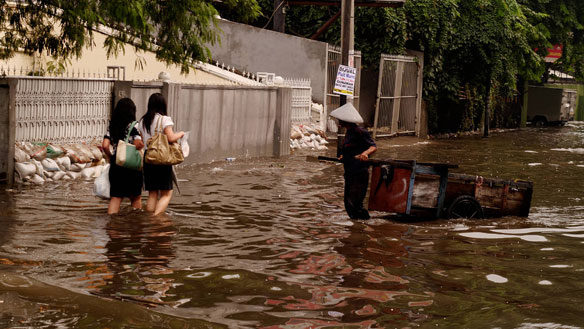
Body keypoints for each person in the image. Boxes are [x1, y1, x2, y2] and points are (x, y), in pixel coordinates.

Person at [139, 93, 185, 216]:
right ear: (162, 105)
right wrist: (180, 134)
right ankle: (156, 218)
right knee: (167, 193)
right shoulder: (164, 119)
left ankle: (149, 218)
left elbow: (143, 141)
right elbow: (170, 138)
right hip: (161, 159)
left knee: (152, 193)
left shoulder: (142, 121)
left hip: (148, 158)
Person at [331, 103, 377, 220]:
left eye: (339, 119)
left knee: (355, 204)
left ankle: (365, 224)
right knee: (348, 204)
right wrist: (343, 156)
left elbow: (373, 146)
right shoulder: (348, 133)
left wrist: (365, 154)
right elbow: (349, 151)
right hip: (350, 172)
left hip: (359, 172)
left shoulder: (360, 131)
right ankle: (357, 226)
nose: (338, 121)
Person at [102, 98, 144, 215]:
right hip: (131, 164)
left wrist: (111, 157)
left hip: (116, 163)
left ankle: (112, 226)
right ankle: (134, 224)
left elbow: (105, 145)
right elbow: (137, 144)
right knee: (135, 197)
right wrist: (142, 144)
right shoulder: (134, 126)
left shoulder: (112, 126)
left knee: (116, 197)